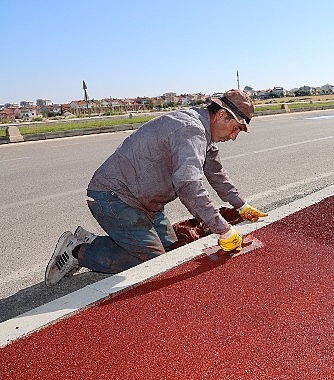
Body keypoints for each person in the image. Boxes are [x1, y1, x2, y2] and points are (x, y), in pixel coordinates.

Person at [45, 89, 268, 287]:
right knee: (155, 263)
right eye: (236, 128)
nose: (234, 136)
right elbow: (189, 185)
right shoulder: (192, 131)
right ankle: (79, 251)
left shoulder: (204, 133)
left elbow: (216, 173)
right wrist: (224, 230)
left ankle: (95, 241)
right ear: (221, 115)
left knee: (173, 253)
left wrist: (242, 206)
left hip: (146, 202)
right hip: (113, 197)